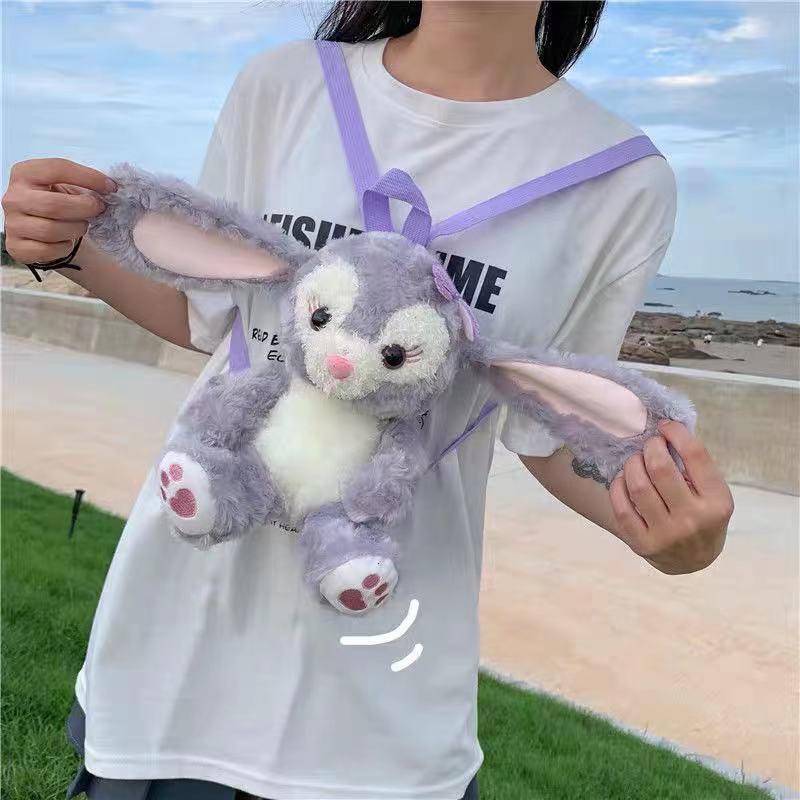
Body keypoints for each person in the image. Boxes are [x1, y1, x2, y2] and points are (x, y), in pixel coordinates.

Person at [2, 2, 734, 798]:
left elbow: (549, 431)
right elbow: (205, 313)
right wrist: (71, 247)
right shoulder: (285, 86)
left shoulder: (620, 179)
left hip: (380, 712)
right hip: (176, 661)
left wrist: (676, 539)